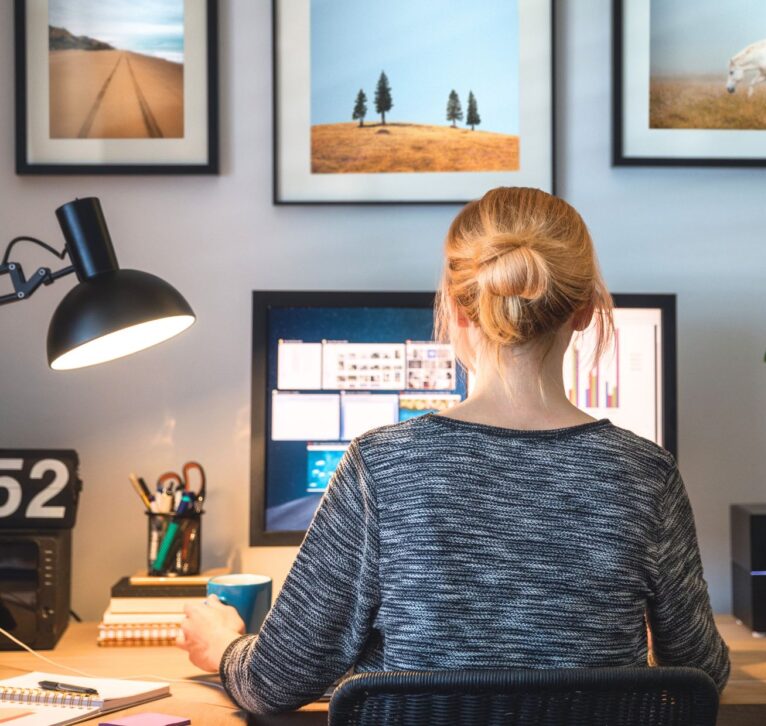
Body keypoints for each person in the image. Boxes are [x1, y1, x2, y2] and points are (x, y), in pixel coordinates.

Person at [177, 187, 730, 713]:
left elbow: (276, 682)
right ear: (585, 310)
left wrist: (224, 646)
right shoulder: (645, 474)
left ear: (459, 310)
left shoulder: (380, 466)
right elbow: (701, 673)